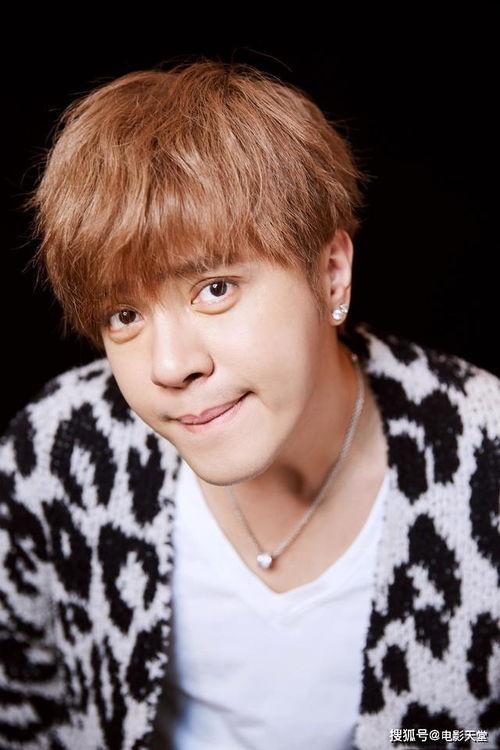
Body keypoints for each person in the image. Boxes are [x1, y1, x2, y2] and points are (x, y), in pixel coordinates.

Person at [0, 58, 498, 750]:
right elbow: (22, 712)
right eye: (124, 315)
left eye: (215, 289)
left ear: (331, 274)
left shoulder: (483, 460)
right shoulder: (58, 451)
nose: (169, 366)